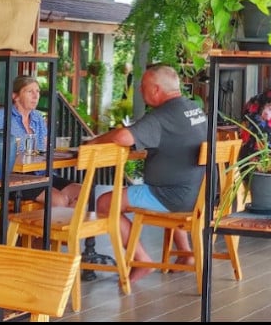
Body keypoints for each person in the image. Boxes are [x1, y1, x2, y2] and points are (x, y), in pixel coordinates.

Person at [86, 64, 207, 283]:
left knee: (105, 202)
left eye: (143, 87)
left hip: (170, 196)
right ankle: (185, 254)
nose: (140, 91)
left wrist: (94, 142)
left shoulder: (163, 116)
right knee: (157, 185)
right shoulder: (193, 109)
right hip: (198, 194)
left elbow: (123, 137)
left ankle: (140, 260)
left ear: (157, 90)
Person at [0, 75, 79, 207]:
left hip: (41, 174)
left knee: (81, 193)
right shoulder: (2, 116)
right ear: (15, 96)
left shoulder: (38, 117)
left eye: (37, 92)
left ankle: (65, 227)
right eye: (30, 91)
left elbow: (45, 149)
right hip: (15, 178)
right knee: (59, 200)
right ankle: (44, 226)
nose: (36, 96)